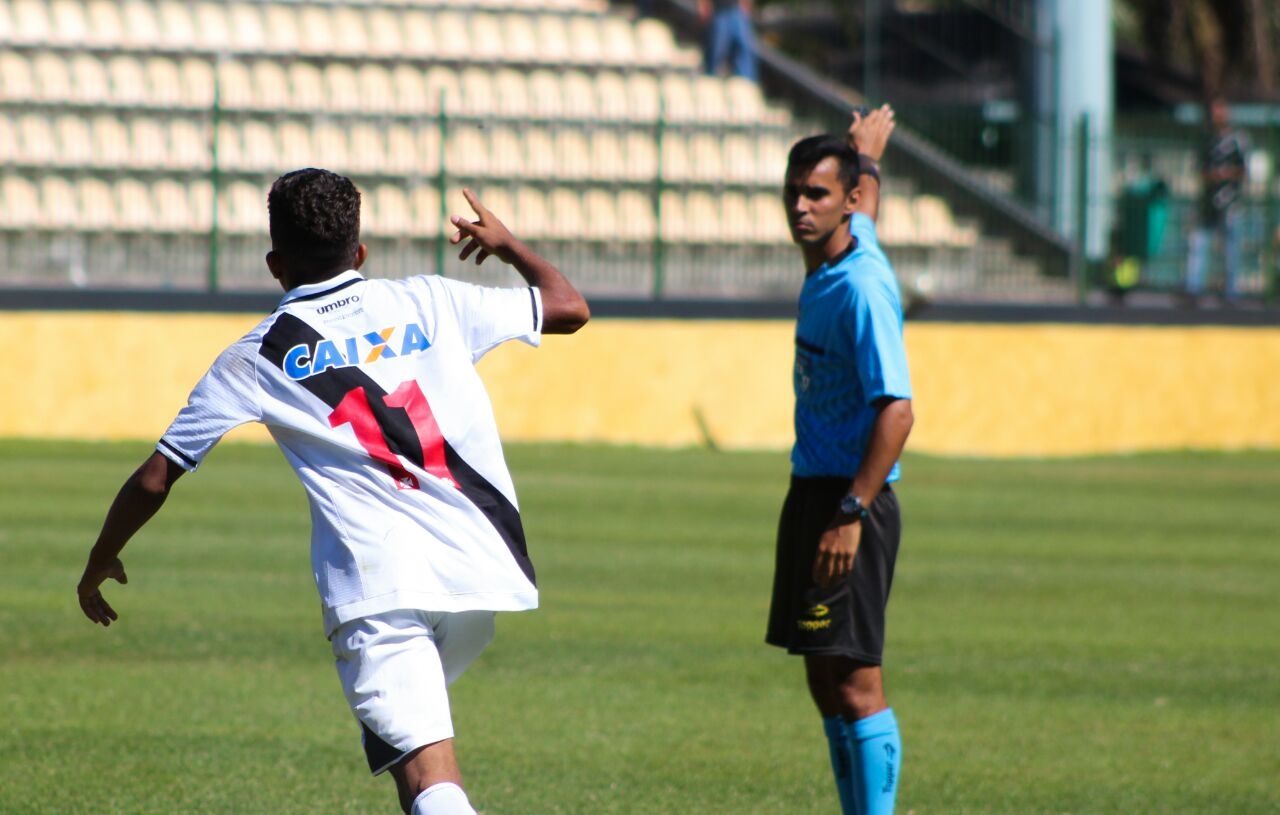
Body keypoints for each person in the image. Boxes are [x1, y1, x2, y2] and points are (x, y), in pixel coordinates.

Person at [76, 169, 590, 815]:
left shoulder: (256, 354)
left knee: (432, 777)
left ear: (274, 263)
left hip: (379, 583)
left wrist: (101, 557)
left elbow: (158, 474)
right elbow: (568, 307)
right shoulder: (430, 299)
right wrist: (510, 246)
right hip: (477, 567)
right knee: (413, 764)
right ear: (361, 252)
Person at [765, 105, 913, 815]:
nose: (800, 205)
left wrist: (852, 512)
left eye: (817, 194)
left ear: (846, 201)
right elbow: (870, 201)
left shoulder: (861, 288)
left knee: (855, 680)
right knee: (824, 677)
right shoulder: (842, 247)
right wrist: (867, 157)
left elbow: (898, 410)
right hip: (815, 492)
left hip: (850, 501)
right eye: (794, 191)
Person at [1185, 97, 1249, 303]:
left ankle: (1230, 292)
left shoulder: (1238, 139)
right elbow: (1199, 169)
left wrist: (1226, 174)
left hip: (1230, 204)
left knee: (1230, 249)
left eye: (1220, 111)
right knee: (1198, 245)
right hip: (1208, 204)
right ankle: (1193, 289)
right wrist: (1211, 175)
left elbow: (1244, 169)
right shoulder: (1207, 140)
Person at [697, 0, 758, 81]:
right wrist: (703, 5)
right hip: (719, 11)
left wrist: (746, 4)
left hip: (736, 11)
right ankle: (710, 77)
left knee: (744, 48)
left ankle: (746, 80)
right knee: (717, 48)